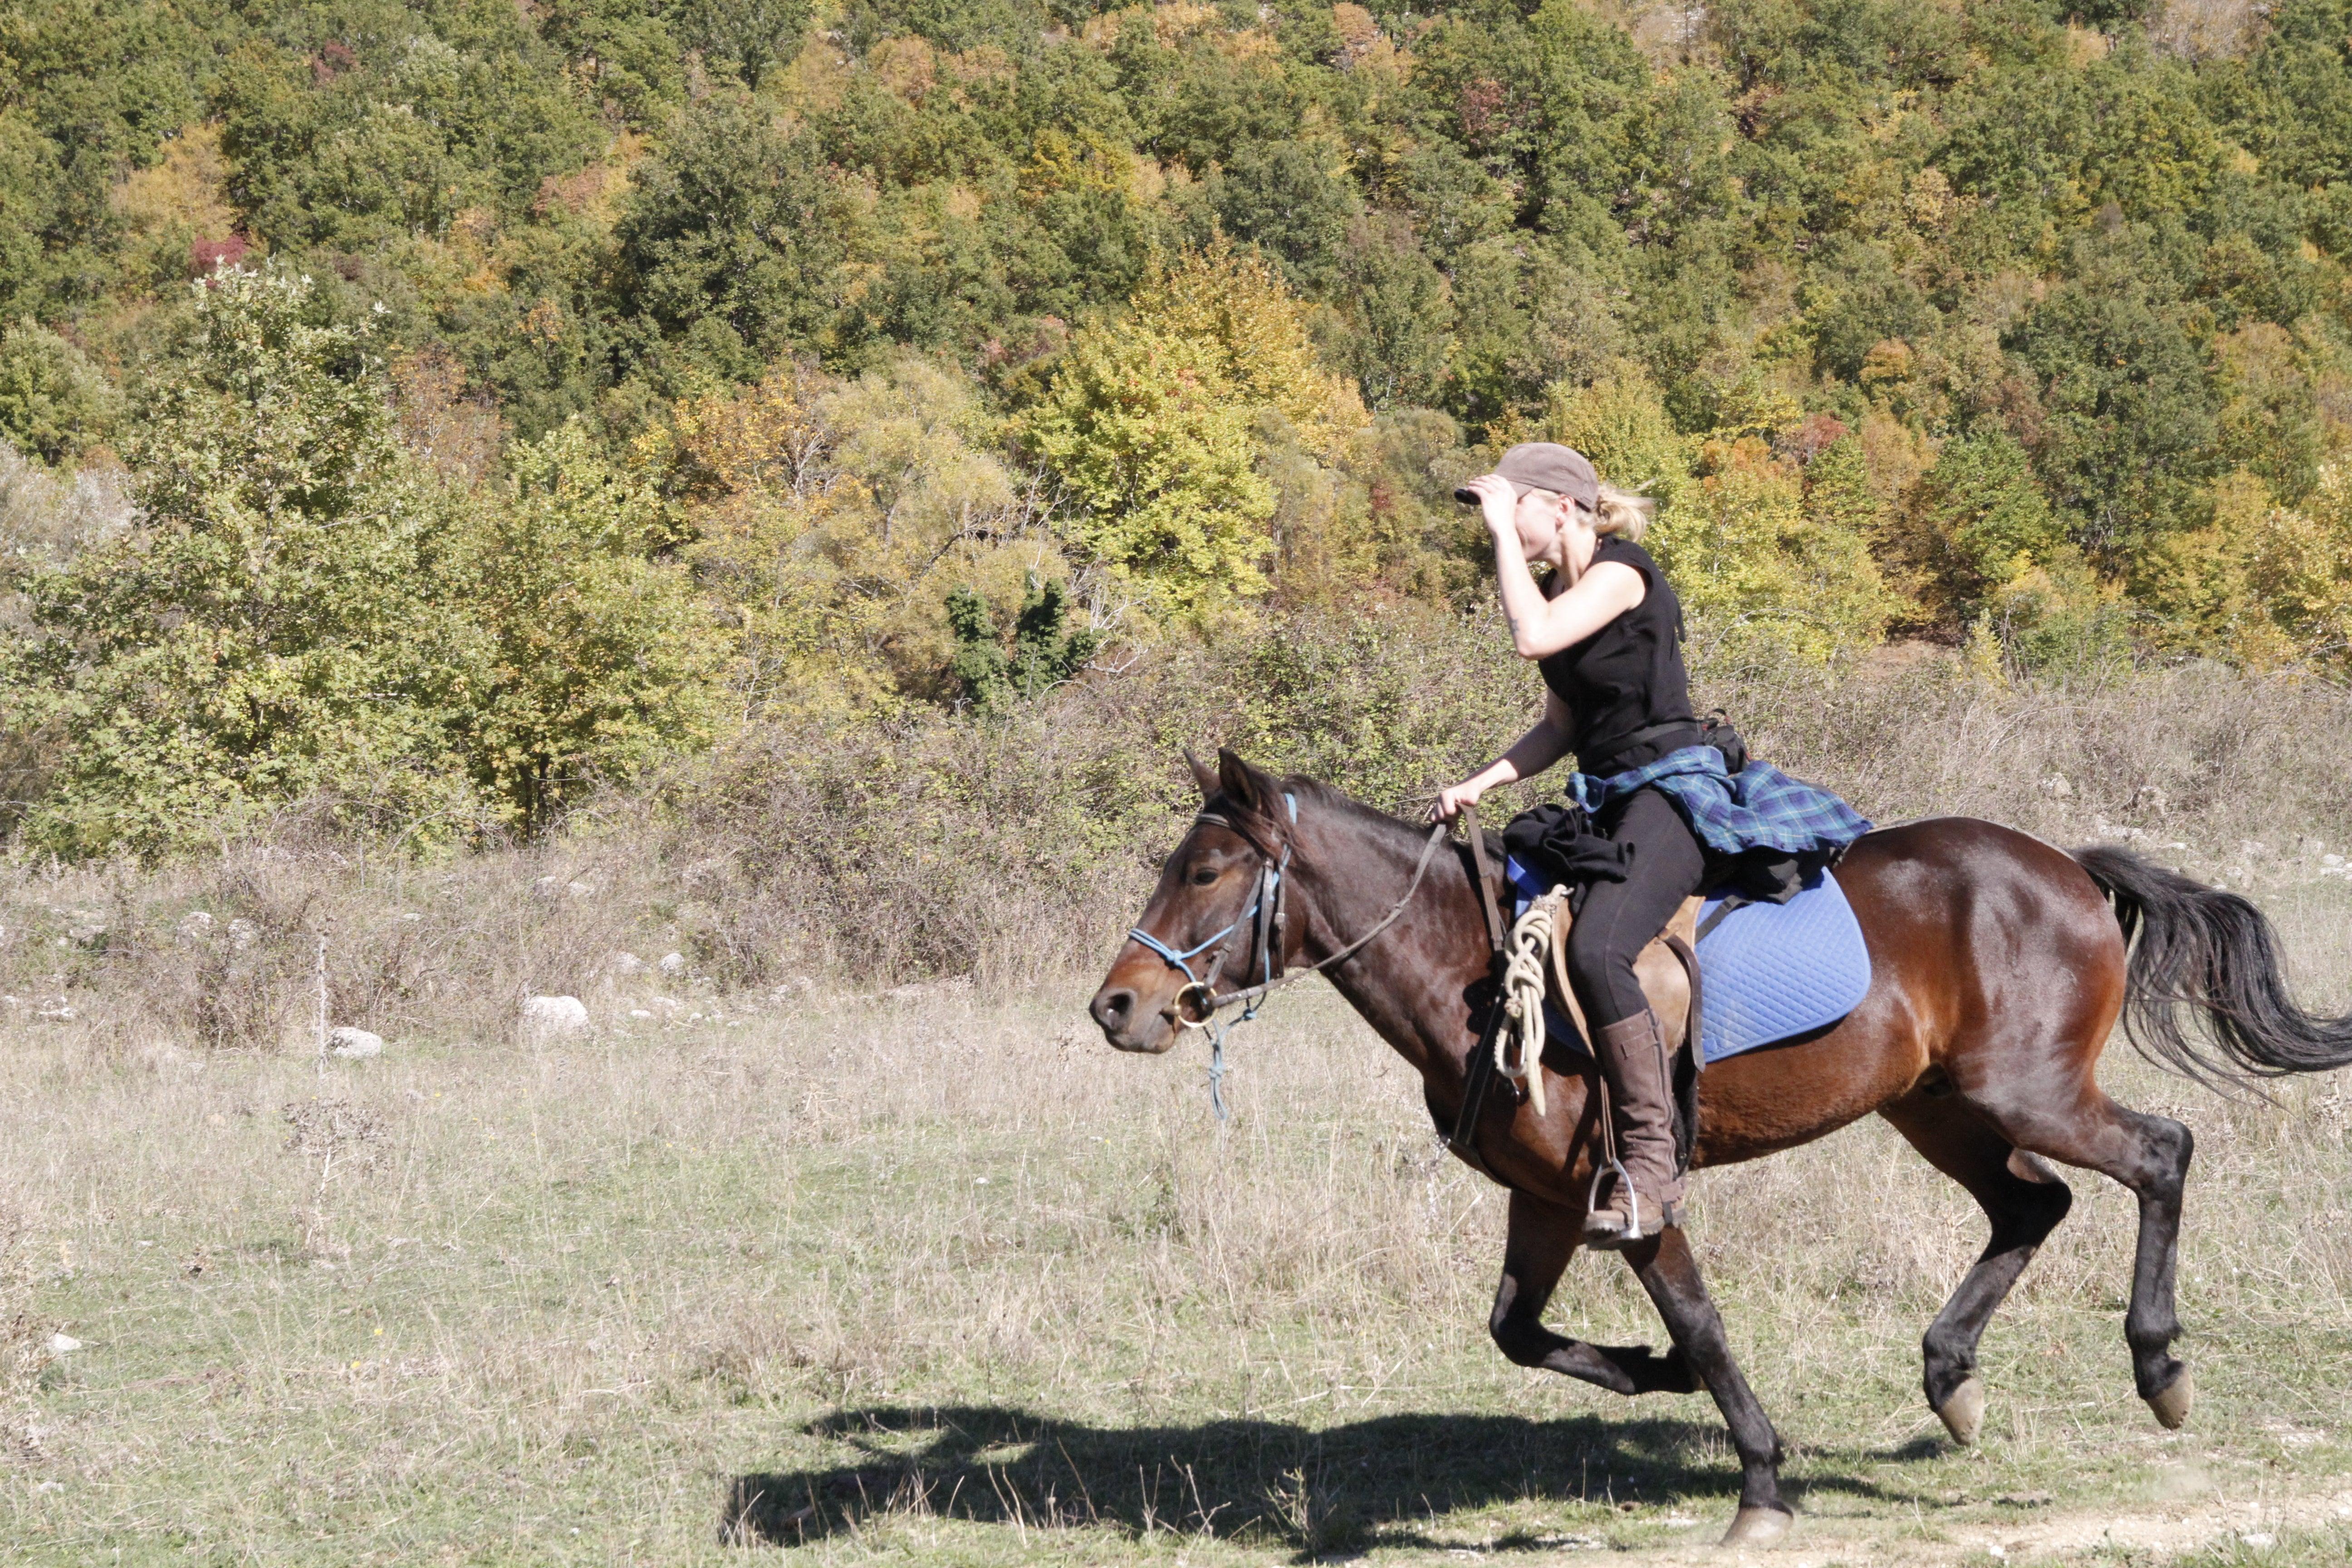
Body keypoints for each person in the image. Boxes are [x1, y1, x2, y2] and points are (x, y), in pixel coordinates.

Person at [1428, 442, 1702, 1249]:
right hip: (1606, 794)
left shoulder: (1624, 573)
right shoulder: (1559, 591)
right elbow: (1560, 727)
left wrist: (1504, 541)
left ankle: (1653, 1171)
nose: (1497, 529)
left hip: (1671, 790)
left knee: (1599, 952)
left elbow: (1533, 637)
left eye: (1510, 509)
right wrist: (1484, 782)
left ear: (1559, 506)